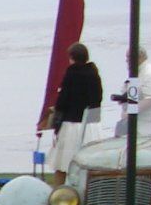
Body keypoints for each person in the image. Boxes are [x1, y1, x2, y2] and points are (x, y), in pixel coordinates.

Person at [40, 42, 104, 185]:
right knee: (91, 166)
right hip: (92, 125)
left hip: (72, 124)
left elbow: (63, 101)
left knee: (63, 164)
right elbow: (99, 98)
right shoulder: (94, 73)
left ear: (72, 57)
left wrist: (56, 116)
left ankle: (58, 192)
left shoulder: (72, 73)